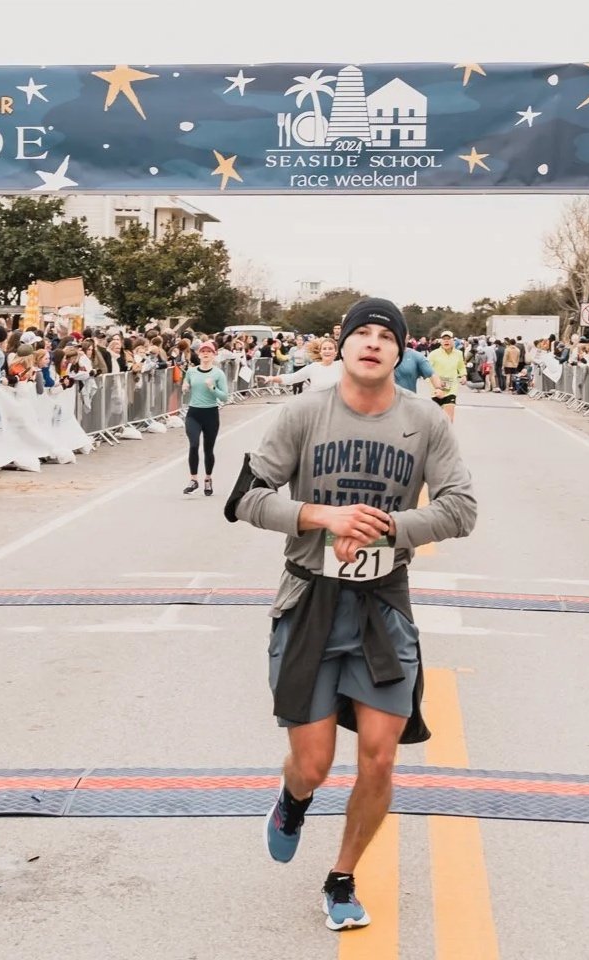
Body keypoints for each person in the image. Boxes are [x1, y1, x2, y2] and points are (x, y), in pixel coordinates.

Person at [226, 297, 476, 932]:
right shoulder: (304, 413)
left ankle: (341, 878)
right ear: (340, 346)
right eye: (359, 333)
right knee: (311, 763)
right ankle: (294, 797)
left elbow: (461, 509)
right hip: (310, 600)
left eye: (383, 335)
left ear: (401, 350)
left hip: (383, 605)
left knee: (380, 756)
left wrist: (386, 527)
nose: (371, 342)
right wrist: (320, 515)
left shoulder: (426, 422)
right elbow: (244, 500)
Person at [182, 341, 229, 496]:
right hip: (194, 413)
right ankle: (193, 479)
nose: (206, 354)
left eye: (209, 351)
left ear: (214, 354)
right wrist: (185, 387)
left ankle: (208, 479)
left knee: (208, 449)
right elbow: (186, 384)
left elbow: (224, 397)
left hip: (210, 414)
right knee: (194, 444)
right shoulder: (191, 371)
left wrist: (213, 388)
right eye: (203, 351)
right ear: (199, 354)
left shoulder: (218, 374)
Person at [263, 338, 341, 392]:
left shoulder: (342, 366)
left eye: (330, 349)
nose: (327, 351)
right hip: (318, 408)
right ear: (320, 352)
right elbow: (292, 378)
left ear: (336, 352)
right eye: (324, 349)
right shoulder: (313, 367)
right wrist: (271, 378)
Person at [427, 331, 467, 421]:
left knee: (449, 418)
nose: (446, 341)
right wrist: (434, 384)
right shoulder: (434, 354)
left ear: (453, 341)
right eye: (444, 339)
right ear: (440, 341)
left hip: (451, 389)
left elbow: (461, 366)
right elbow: (426, 369)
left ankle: (447, 434)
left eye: (448, 339)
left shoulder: (458, 353)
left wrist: (463, 375)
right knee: (437, 419)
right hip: (437, 389)